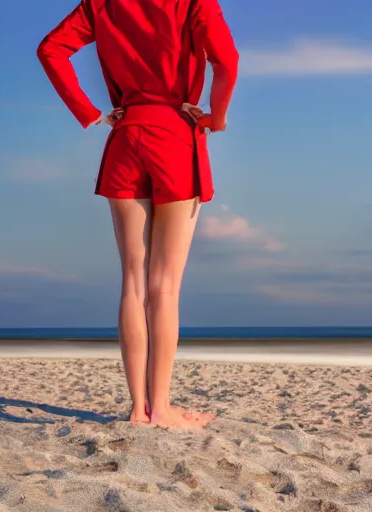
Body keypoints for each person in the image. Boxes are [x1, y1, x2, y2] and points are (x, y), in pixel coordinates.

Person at [37, 0, 239, 429]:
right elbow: (228, 59)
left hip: (127, 137)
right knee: (164, 286)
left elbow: (50, 49)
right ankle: (161, 408)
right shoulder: (195, 2)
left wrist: (91, 114)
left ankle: (137, 408)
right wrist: (216, 118)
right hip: (175, 137)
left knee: (133, 282)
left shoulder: (101, 3)